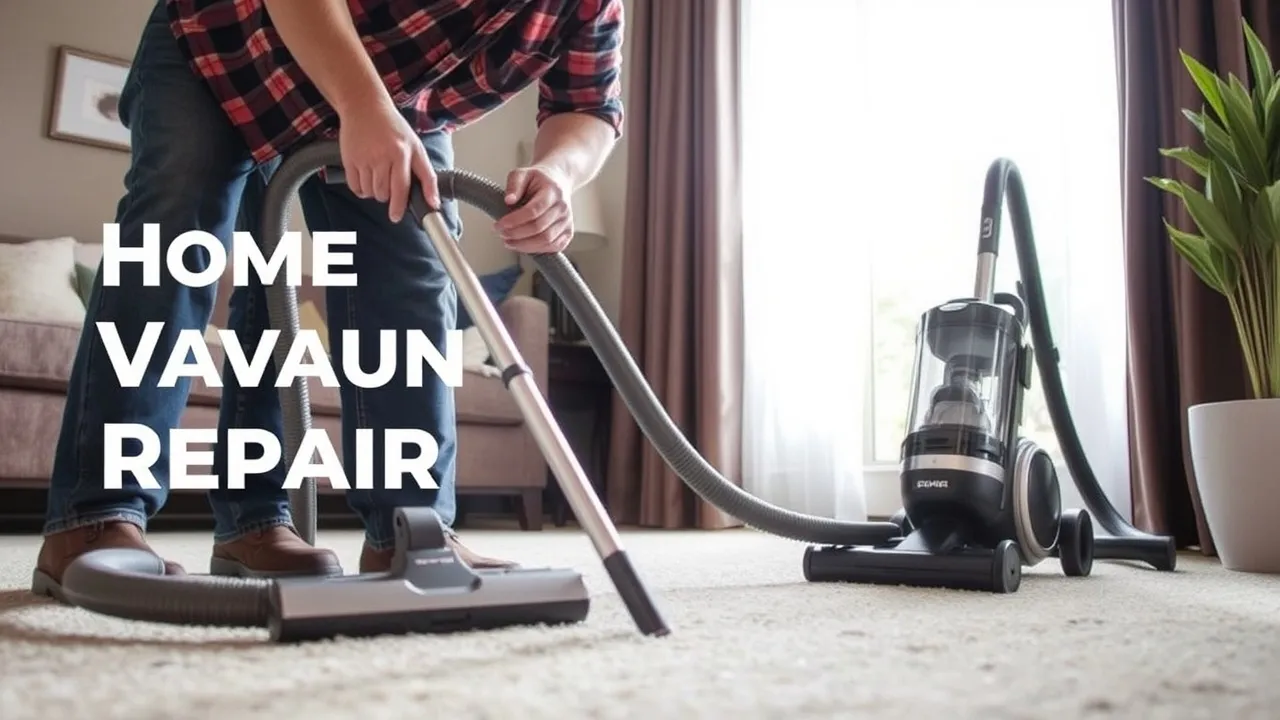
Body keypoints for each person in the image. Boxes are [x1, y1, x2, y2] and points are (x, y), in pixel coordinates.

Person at [32, 0, 624, 592]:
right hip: (228, 41)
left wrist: (558, 174)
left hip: (399, 102)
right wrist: (362, 104)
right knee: (176, 244)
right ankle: (93, 518)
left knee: (405, 280)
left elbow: (588, 105)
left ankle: (389, 529)